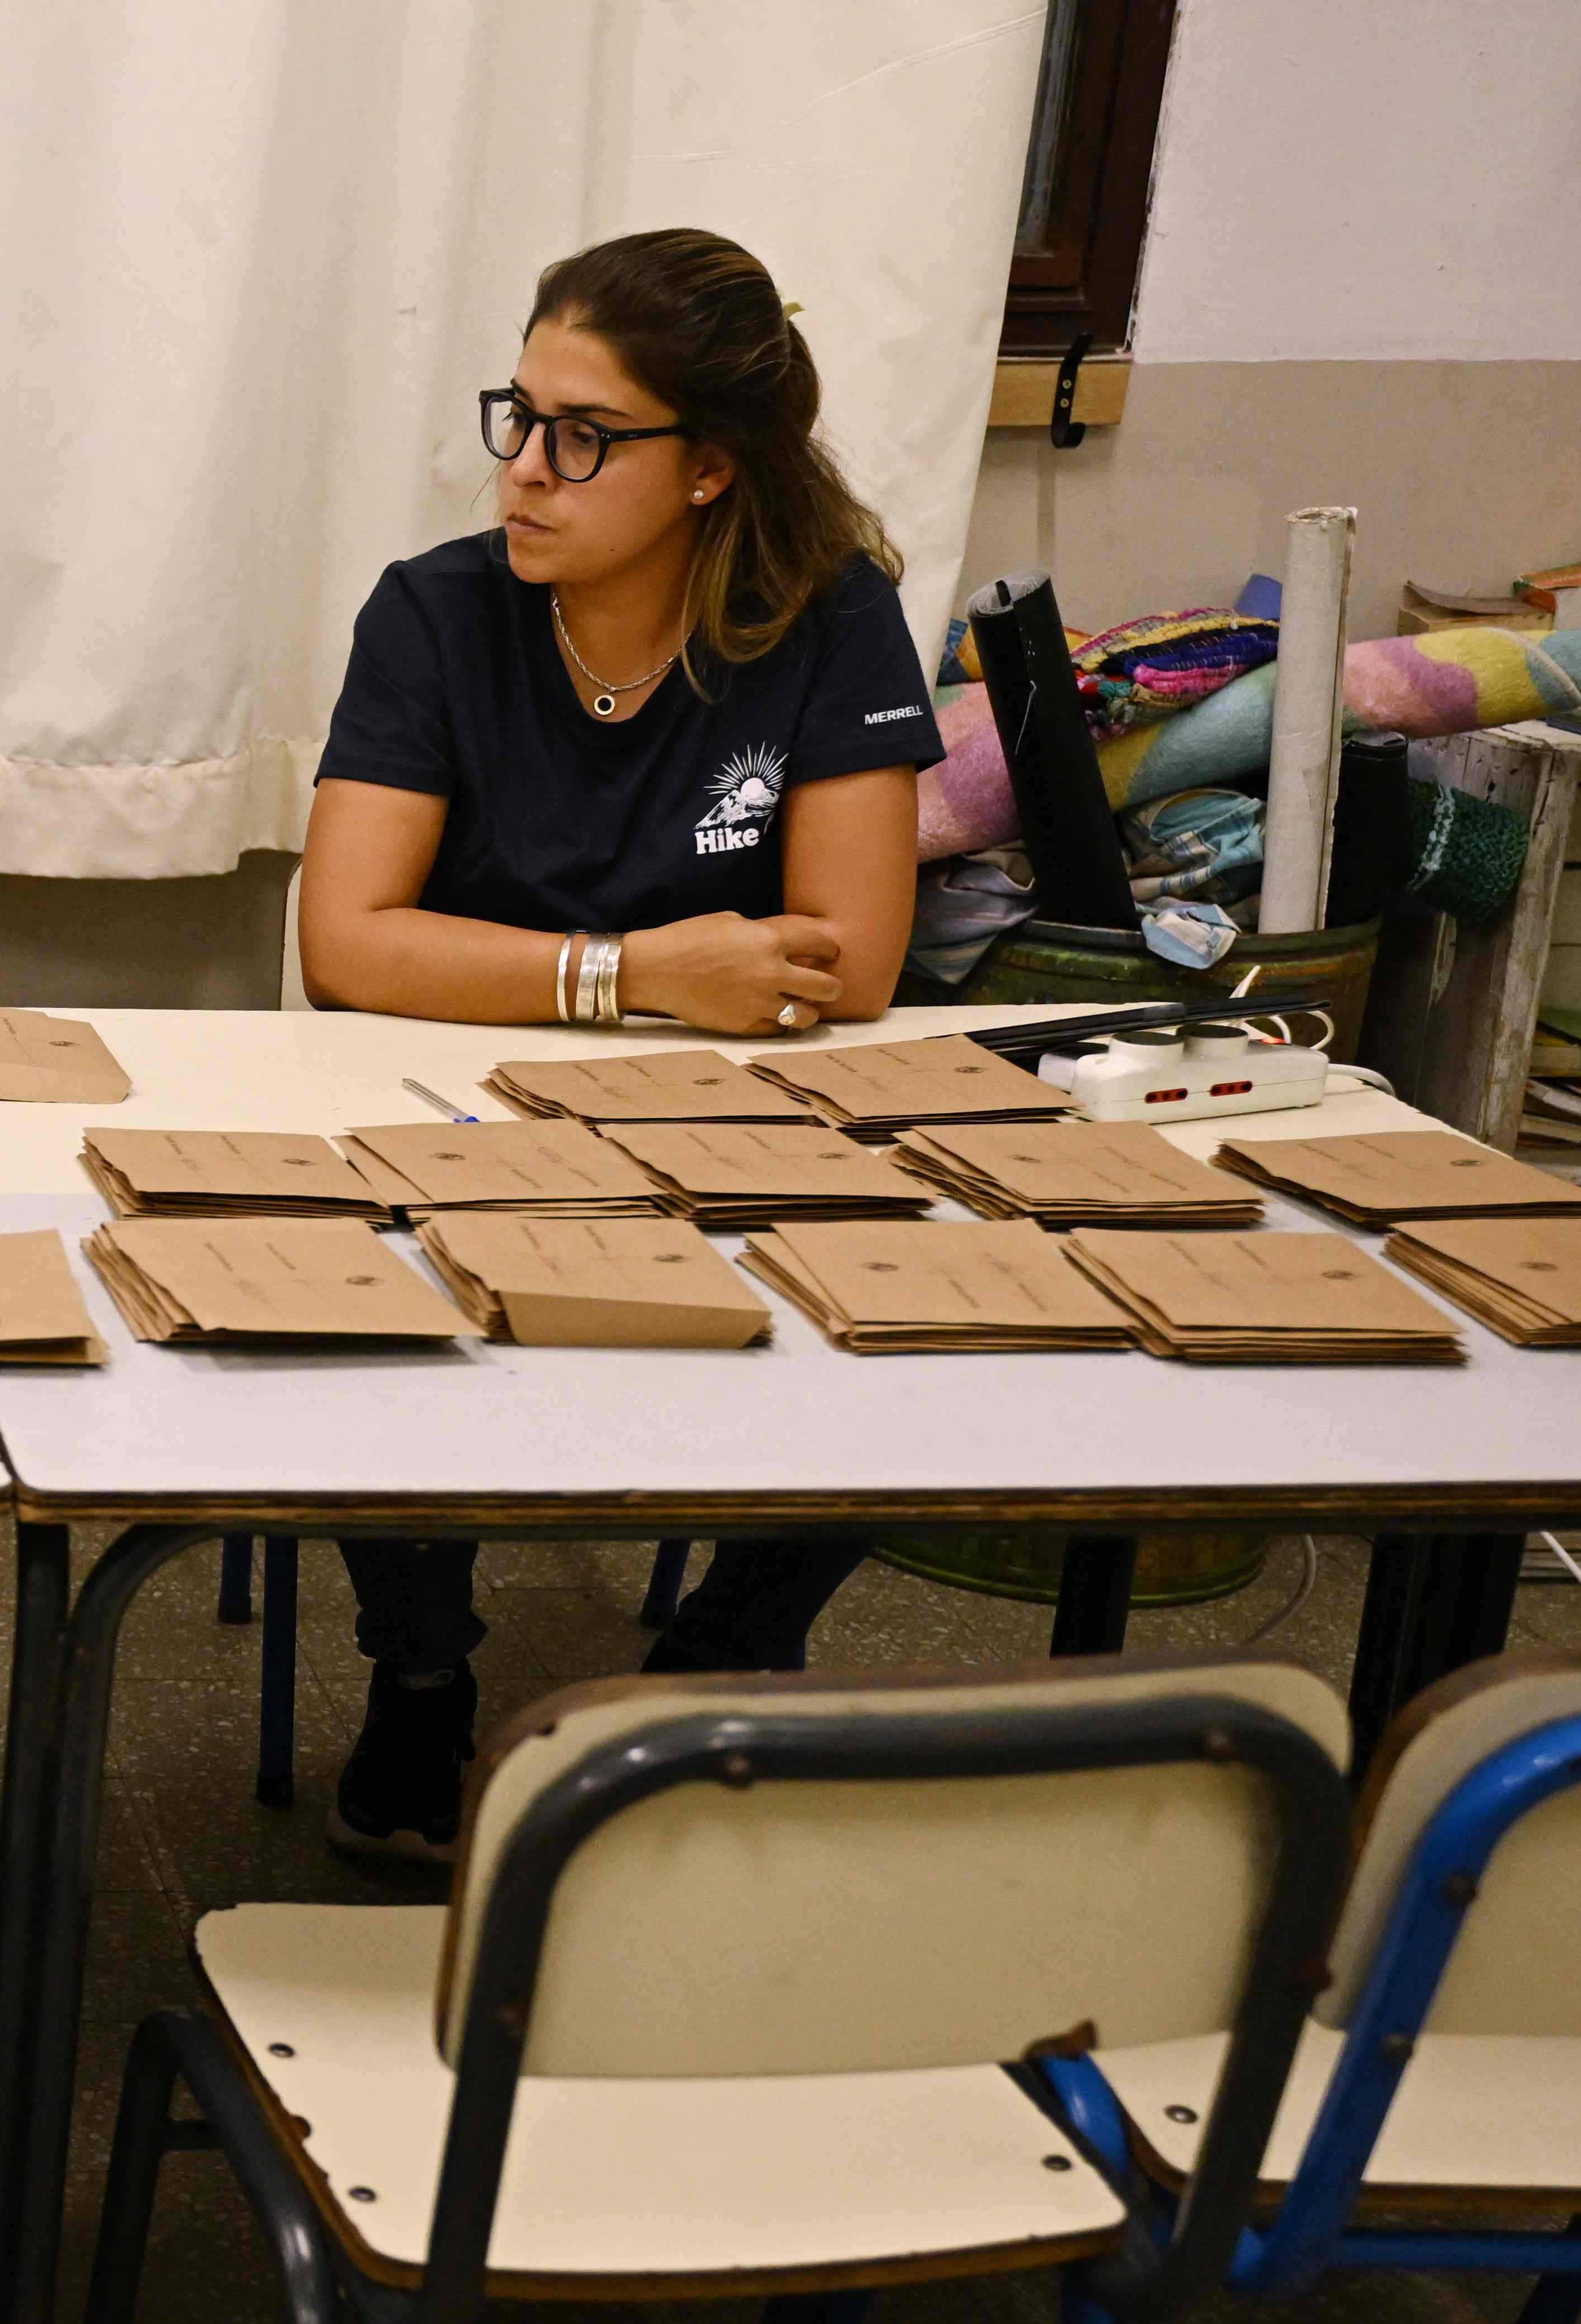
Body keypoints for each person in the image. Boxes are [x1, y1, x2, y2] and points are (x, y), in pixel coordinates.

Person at [293, 228, 944, 1863]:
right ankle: (425, 1669)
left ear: (711, 468)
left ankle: (727, 1648)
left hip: (737, 1109)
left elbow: (851, 956)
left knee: (923, 1294)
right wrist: (635, 973)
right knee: (362, 1286)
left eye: (583, 437)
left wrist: (622, 988)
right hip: (455, 1097)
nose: (525, 471)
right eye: (516, 417)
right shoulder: (436, 613)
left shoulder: (830, 615)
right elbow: (347, 939)